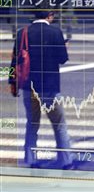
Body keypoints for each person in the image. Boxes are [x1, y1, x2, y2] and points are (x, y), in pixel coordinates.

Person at [9, 9, 74, 169]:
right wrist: (64, 47)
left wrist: (13, 82)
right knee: (59, 124)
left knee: (32, 123)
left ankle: (31, 160)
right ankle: (65, 161)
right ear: (49, 16)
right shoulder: (55, 32)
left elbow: (14, 60)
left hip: (28, 86)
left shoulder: (22, 32)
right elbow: (62, 59)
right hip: (49, 86)